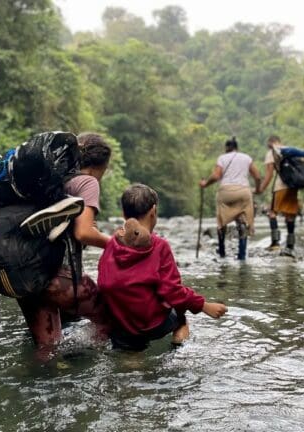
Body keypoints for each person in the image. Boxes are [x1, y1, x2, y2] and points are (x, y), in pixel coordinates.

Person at [98, 184, 228, 351]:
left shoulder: (112, 243)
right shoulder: (159, 246)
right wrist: (204, 305)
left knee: (131, 359)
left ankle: (133, 358)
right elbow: (172, 291)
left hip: (120, 325)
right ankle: (177, 344)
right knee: (181, 317)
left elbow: (104, 281)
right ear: (153, 211)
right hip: (152, 325)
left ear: (123, 214)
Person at [16, 133, 114, 350]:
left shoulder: (50, 179)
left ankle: (43, 377)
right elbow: (84, 233)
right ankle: (89, 365)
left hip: (26, 276)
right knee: (110, 320)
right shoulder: (87, 181)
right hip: (58, 278)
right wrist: (118, 244)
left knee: (47, 349)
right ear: (101, 166)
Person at [199, 137, 261, 260]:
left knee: (222, 222)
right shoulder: (246, 158)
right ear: (237, 147)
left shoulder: (222, 158)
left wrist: (205, 184)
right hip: (243, 191)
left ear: (226, 148)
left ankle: (222, 252)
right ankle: (242, 255)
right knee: (242, 221)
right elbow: (258, 176)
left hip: (226, 191)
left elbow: (216, 176)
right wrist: (258, 189)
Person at [257, 135, 302, 257]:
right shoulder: (290, 150)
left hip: (280, 187)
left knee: (272, 213)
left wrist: (261, 188)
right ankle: (290, 245)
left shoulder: (272, 152)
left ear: (270, 143)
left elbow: (269, 174)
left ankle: (275, 242)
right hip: (293, 187)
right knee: (290, 215)